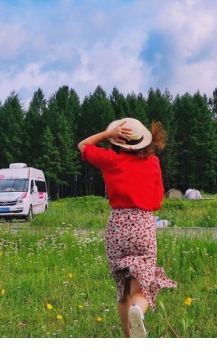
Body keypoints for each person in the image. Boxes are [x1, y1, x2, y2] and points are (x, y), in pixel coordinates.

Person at [78, 117, 177, 338]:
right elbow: (158, 199)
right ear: (142, 141)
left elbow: (83, 146)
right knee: (140, 288)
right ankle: (138, 310)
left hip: (118, 226)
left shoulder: (110, 160)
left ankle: (129, 339)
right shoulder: (153, 162)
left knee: (122, 290)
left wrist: (107, 134)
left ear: (117, 142)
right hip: (143, 225)